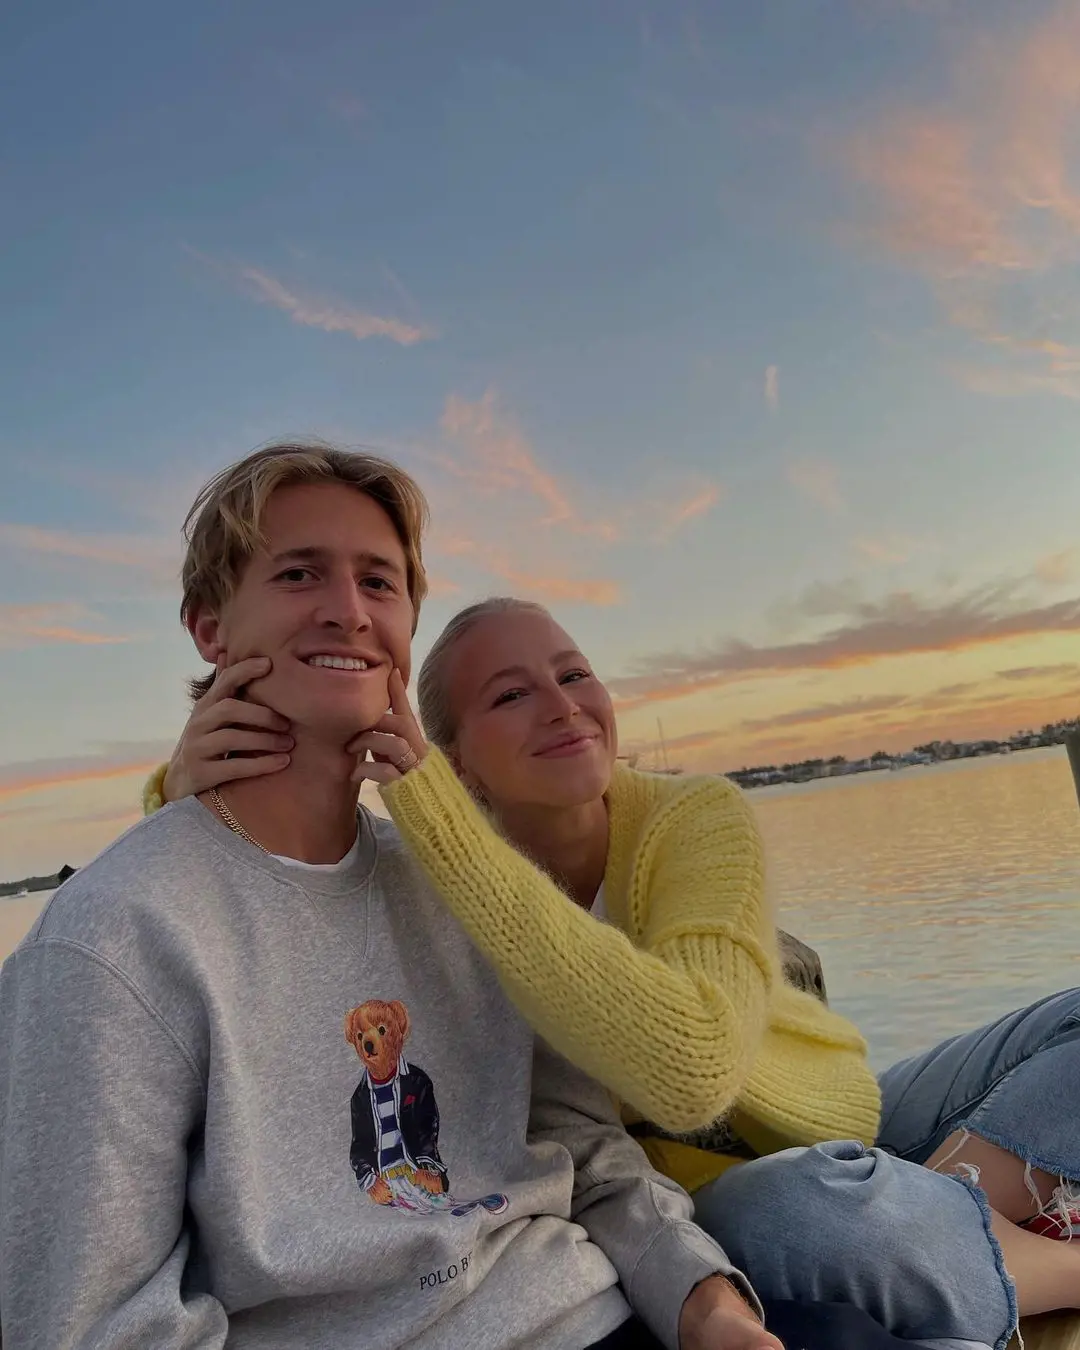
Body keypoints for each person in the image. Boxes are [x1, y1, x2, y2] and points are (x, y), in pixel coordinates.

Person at [0, 445, 784, 1350]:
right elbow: (90, 1324)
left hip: (606, 1312)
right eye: (300, 575)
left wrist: (704, 1302)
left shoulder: (452, 883)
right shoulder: (113, 941)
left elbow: (584, 1152)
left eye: (380, 582)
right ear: (210, 628)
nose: (348, 611)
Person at [155, 594, 1080, 1350]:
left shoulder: (691, 819)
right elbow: (287, 904)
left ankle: (946, 1212)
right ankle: (1033, 1249)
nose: (561, 705)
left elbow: (699, 1055)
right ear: (454, 759)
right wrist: (178, 794)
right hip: (721, 1199)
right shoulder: (440, 877)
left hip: (851, 1118)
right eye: (510, 696)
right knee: (811, 1209)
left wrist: (911, 1186)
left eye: (574, 674)